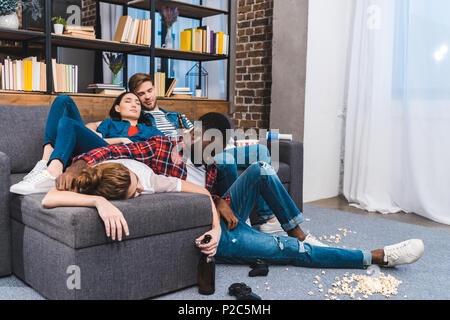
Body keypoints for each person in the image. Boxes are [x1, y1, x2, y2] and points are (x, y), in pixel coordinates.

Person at [41, 121, 425, 270]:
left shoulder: (211, 164)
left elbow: (207, 193)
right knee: (291, 256)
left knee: (259, 167)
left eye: (212, 144)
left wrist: (221, 201)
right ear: (189, 134)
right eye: (200, 138)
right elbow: (96, 158)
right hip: (216, 236)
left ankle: (299, 230)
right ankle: (378, 256)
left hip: (219, 217)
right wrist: (68, 173)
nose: (204, 146)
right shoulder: (158, 151)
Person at [10, 92, 163, 195]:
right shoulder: (109, 124)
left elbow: (163, 147)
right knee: (63, 100)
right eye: (128, 101)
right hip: (97, 150)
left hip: (116, 158)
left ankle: (52, 170)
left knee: (67, 122)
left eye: (137, 103)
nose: (134, 105)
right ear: (117, 108)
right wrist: (120, 140)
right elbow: (98, 140)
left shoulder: (150, 130)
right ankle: (46, 160)